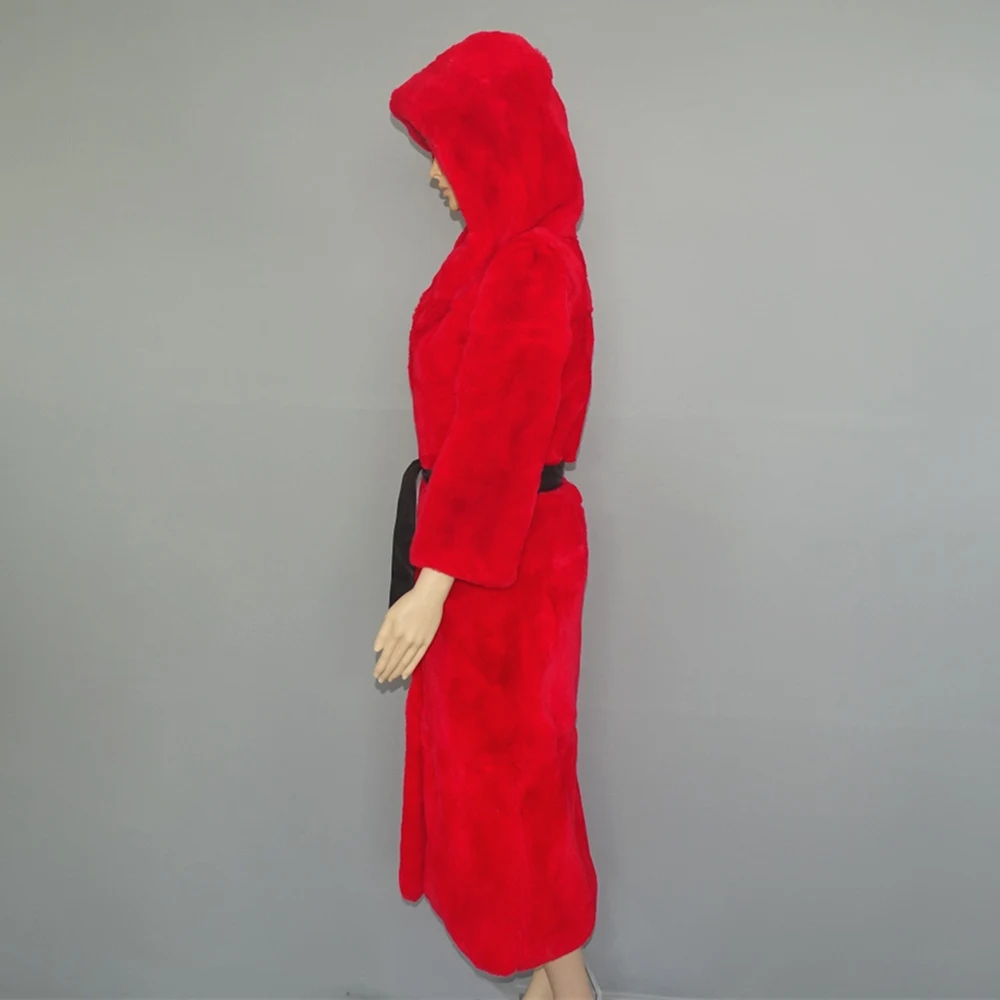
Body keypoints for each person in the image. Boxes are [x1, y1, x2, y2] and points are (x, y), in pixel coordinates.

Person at [372, 31, 600, 1000]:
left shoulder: (530, 264)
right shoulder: (501, 254)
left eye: (448, 150)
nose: (434, 174)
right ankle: (558, 987)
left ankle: (570, 987)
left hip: (498, 568)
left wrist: (430, 588)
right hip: (487, 555)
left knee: (514, 790)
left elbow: (500, 438)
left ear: (497, 146)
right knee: (511, 785)